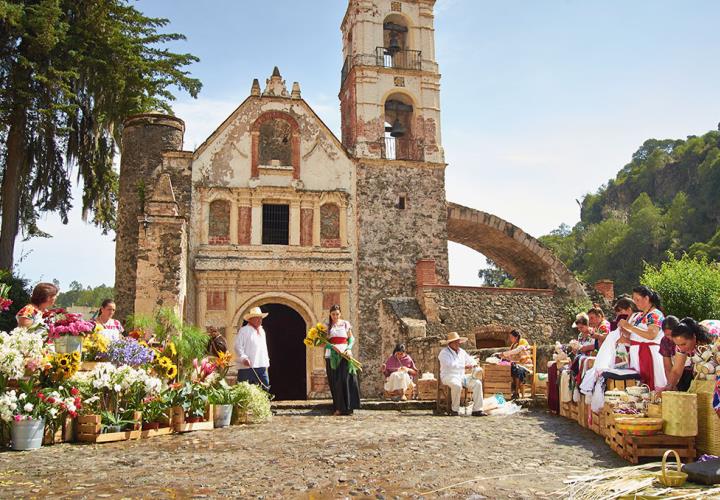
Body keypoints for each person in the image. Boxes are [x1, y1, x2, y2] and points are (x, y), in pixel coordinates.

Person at [617, 285, 666, 390]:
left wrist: (629, 327)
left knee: (650, 386)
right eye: (634, 300)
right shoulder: (639, 316)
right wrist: (625, 331)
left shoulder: (655, 314)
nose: (635, 302)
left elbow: (651, 335)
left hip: (649, 355)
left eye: (637, 299)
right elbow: (637, 336)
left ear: (647, 298)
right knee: (638, 387)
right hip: (637, 355)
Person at [438, 331, 486, 416]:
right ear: (450, 343)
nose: (458, 344)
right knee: (457, 385)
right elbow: (450, 365)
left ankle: (477, 410)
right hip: (449, 376)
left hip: (461, 376)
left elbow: (470, 360)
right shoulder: (444, 353)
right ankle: (454, 410)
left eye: (458, 342)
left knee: (477, 383)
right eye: (455, 342)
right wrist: (464, 366)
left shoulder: (462, 352)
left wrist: (474, 364)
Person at [324, 304, 361, 416]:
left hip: (345, 353)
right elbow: (322, 341)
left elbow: (351, 338)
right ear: (330, 314)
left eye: (337, 314)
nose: (335, 316)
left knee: (346, 379)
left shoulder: (345, 324)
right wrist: (331, 346)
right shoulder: (326, 325)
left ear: (340, 314)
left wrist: (349, 348)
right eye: (333, 314)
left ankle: (349, 407)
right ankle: (338, 408)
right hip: (332, 354)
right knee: (335, 381)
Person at [663, 317, 712, 391]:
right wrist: (669, 386)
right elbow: (676, 371)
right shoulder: (680, 347)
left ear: (694, 337)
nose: (681, 348)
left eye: (684, 344)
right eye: (678, 345)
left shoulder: (707, 345)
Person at [234, 307, 270, 390]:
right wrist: (244, 358)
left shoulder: (262, 331)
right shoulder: (244, 330)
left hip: (261, 365)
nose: (260, 320)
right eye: (257, 318)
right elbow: (237, 346)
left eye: (260, 318)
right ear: (250, 319)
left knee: (265, 387)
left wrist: (266, 361)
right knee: (244, 390)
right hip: (247, 367)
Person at [500, 330, 533, 399]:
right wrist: (503, 356)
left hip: (525, 365)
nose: (510, 339)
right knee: (509, 368)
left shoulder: (523, 342)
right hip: (518, 364)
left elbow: (517, 351)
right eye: (510, 337)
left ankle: (516, 392)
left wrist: (505, 354)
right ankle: (508, 390)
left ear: (516, 337)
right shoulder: (513, 345)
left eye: (512, 337)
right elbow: (511, 355)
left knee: (518, 370)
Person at [659, 315, 680, 383]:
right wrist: (671, 383)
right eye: (667, 335)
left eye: (672, 334)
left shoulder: (686, 336)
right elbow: (668, 367)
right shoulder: (665, 341)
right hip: (676, 370)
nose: (670, 338)